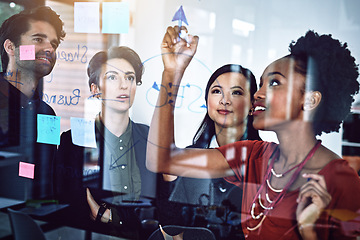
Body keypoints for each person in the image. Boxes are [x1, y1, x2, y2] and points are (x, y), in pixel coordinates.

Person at [147, 26, 360, 239]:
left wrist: (310, 232)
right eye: (262, 83)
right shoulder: (252, 156)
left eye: (275, 83)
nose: (257, 94)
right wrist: (172, 72)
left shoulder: (341, 181)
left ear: (309, 100)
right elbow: (162, 159)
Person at [55, 46, 158, 239]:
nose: (124, 85)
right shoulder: (73, 140)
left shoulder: (151, 138)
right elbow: (71, 209)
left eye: (130, 78)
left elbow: (158, 210)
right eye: (112, 77)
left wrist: (111, 217)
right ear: (95, 89)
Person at [158, 64, 261, 234]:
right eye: (216, 91)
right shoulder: (186, 159)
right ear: (207, 101)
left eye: (236, 92)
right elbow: (171, 225)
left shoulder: (266, 160)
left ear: (252, 105)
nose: (224, 100)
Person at [0, 6, 65, 199]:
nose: (49, 49)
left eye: (53, 43)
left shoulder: (47, 113)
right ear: (10, 47)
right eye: (38, 39)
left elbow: (45, 171)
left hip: (36, 216)